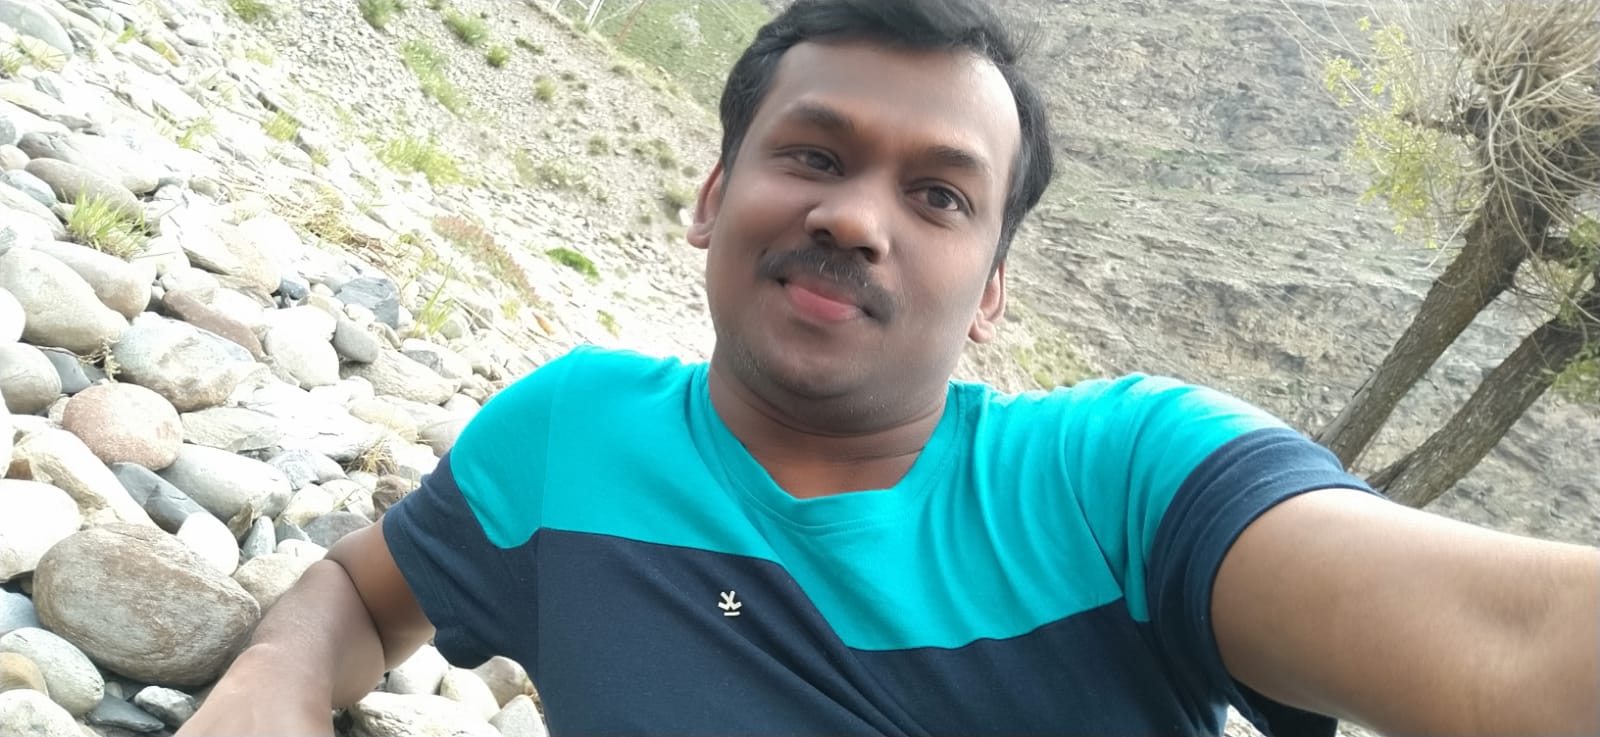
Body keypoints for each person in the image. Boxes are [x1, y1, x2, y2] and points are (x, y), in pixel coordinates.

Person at [178, 0, 1599, 735]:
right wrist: (275, 678)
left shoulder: (1120, 481)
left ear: (992, 294)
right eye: (813, 154)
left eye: (938, 195)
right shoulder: (570, 436)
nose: (856, 219)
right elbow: (361, 591)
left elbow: (1520, 651)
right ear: (712, 197)